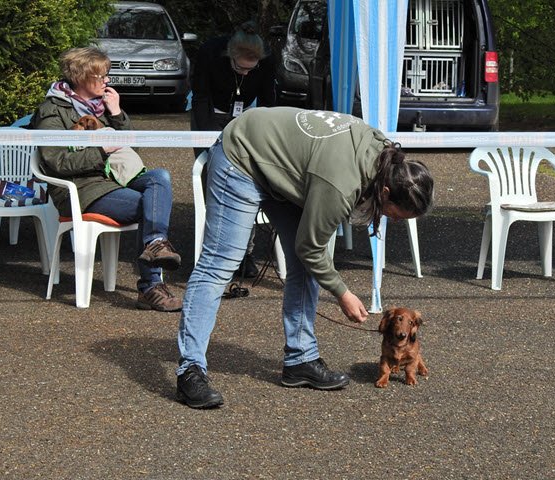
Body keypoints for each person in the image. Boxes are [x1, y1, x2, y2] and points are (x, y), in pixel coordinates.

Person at [176, 107, 435, 409]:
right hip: (243, 155)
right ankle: (189, 370)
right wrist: (343, 293)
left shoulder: (385, 158)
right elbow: (311, 247)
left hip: (283, 167)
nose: (397, 222)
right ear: (386, 191)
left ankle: (300, 360)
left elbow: (308, 249)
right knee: (220, 263)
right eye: (398, 215)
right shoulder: (341, 185)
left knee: (304, 264)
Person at [30, 46, 182, 312]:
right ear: (80, 77)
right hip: (81, 188)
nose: (107, 81)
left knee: (160, 177)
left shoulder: (99, 107)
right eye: (101, 76)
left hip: (114, 177)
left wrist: (116, 114)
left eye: (106, 75)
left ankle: (156, 244)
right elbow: (56, 162)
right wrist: (101, 151)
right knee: (150, 204)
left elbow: (130, 151)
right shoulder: (51, 111)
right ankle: (150, 286)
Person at [190, 20, 276, 278]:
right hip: (210, 113)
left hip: (246, 116)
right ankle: (214, 250)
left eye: (253, 69)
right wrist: (210, 144)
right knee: (213, 180)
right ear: (230, 55)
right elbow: (201, 98)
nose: (247, 74)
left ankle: (244, 253)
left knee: (247, 183)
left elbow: (269, 102)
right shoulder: (209, 52)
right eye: (240, 68)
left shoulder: (267, 61)